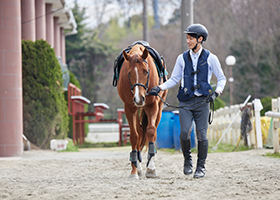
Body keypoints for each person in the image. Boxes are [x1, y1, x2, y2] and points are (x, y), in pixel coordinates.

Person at [148, 23, 226, 178]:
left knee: (202, 135)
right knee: (184, 133)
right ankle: (188, 161)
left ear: (200, 39)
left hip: (203, 102)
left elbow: (222, 78)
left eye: (191, 38)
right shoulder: (181, 58)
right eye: (187, 38)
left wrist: (216, 92)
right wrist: (159, 87)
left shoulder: (211, 58)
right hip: (186, 102)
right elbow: (175, 79)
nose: (188, 41)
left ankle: (201, 167)